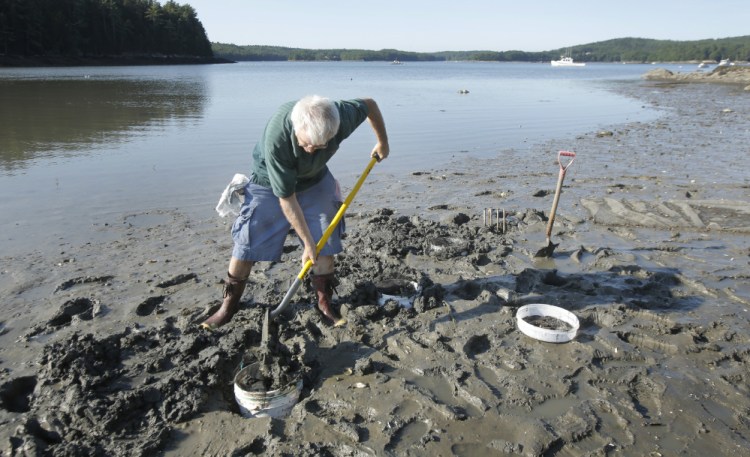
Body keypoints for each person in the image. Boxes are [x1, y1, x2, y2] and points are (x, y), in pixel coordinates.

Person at [201, 95, 389, 330]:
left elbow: (370, 104)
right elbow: (287, 200)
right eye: (305, 144)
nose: (310, 150)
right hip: (269, 183)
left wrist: (383, 142)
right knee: (248, 238)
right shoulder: (277, 138)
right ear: (296, 127)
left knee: (325, 237)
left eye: (319, 146)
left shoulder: (340, 116)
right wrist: (307, 243)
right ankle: (228, 307)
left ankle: (324, 304)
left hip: (315, 179)